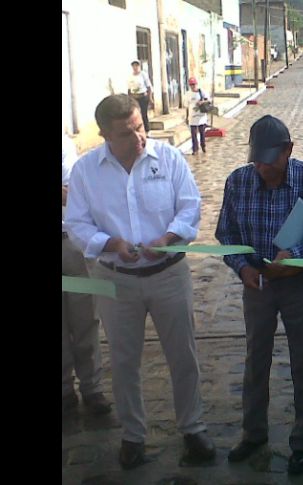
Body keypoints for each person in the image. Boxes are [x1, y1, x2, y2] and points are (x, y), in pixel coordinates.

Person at [64, 94, 215, 470]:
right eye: (126, 133)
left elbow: (190, 205)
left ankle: (193, 428)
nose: (138, 138)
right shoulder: (86, 172)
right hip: (116, 280)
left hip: (169, 274)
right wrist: (110, 243)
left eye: (140, 126)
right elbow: (77, 224)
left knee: (183, 355)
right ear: (104, 135)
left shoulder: (169, 158)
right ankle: (133, 436)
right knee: (125, 359)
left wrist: (166, 239)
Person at [215, 114, 303, 475]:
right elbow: (226, 234)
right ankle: (253, 432)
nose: (263, 167)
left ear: (288, 150)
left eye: (270, 158)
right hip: (259, 283)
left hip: (297, 283)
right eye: (258, 159)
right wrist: (244, 268)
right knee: (256, 358)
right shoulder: (238, 182)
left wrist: (298, 258)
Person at [62, 132, 111, 417]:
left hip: (69, 245)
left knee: (83, 319)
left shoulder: (64, 145)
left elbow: (71, 194)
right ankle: (64, 390)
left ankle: (92, 387)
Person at [127, 60, 153, 132]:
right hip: (134, 98)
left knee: (144, 114)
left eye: (137, 65)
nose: (135, 67)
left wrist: (150, 98)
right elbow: (129, 89)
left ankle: (147, 130)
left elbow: (149, 87)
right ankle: (138, 129)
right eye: (134, 66)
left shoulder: (143, 75)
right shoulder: (130, 77)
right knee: (135, 114)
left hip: (143, 97)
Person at [185, 77, 208, 155]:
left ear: (196, 84)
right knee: (193, 134)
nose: (192, 86)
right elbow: (186, 106)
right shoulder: (188, 94)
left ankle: (203, 146)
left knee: (202, 133)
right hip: (192, 116)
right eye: (191, 84)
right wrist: (186, 116)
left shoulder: (202, 92)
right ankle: (195, 149)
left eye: (194, 84)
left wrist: (202, 102)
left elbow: (208, 100)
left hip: (201, 116)